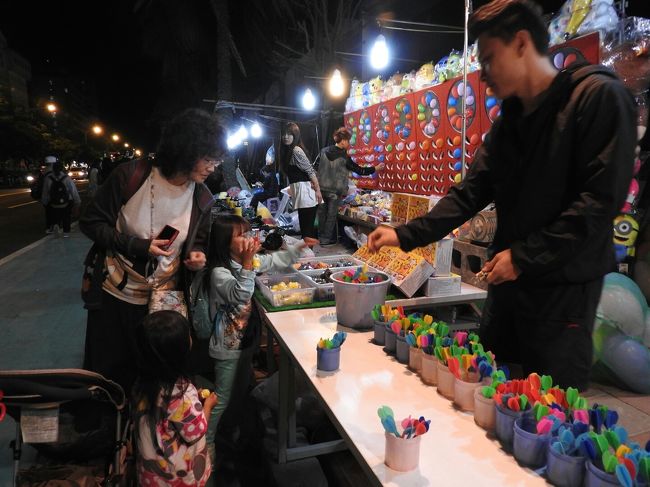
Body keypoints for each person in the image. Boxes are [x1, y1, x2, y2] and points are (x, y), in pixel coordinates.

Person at [367, 0, 636, 390]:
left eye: (490, 60)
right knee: (483, 393)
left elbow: (597, 205)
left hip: (561, 301)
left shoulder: (596, 98)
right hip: (507, 293)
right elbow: (469, 193)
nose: (483, 75)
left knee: (545, 407)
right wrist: (404, 234)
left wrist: (524, 257)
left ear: (522, 43)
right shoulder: (509, 123)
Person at [80, 108, 225, 393]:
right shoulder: (131, 176)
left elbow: (197, 240)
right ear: (185, 151)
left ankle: (149, 420)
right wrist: (139, 246)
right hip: (116, 293)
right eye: (208, 159)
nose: (213, 168)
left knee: (157, 376)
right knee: (111, 372)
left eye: (216, 161)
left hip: (164, 298)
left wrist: (196, 256)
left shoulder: (202, 196)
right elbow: (91, 223)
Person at [204, 214, 305, 470]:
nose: (249, 239)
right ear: (225, 244)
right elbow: (241, 294)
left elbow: (274, 260)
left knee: (239, 389)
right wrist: (249, 263)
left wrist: (298, 249)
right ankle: (206, 444)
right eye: (241, 235)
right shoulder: (219, 272)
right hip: (227, 346)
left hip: (245, 341)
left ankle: (235, 432)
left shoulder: (243, 261)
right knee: (222, 398)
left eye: (248, 233)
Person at [132, 310, 218, 487]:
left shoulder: (140, 385)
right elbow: (197, 431)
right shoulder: (182, 396)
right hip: (178, 478)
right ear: (179, 350)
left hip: (151, 474)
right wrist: (208, 406)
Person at [317, 127, 385, 246]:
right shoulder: (344, 157)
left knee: (322, 214)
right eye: (348, 141)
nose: (349, 143)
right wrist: (375, 168)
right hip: (335, 191)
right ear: (343, 141)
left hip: (321, 189)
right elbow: (359, 170)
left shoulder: (323, 151)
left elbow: (313, 167)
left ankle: (320, 237)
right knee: (331, 216)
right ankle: (326, 239)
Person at [279, 122, 321, 245]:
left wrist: (318, 191)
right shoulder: (287, 151)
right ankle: (307, 253)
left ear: (295, 135)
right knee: (306, 227)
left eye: (289, 134)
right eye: (284, 134)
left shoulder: (296, 150)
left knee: (307, 229)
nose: (286, 137)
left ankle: (308, 254)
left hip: (306, 192)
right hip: (301, 192)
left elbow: (310, 171)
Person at [41, 161, 81, 237]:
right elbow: (73, 190)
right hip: (66, 202)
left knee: (55, 216)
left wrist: (44, 202)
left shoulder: (48, 178)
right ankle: (66, 232)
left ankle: (56, 225)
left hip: (53, 202)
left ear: (53, 169)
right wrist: (77, 201)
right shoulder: (66, 178)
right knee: (66, 216)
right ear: (62, 169)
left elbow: (45, 191)